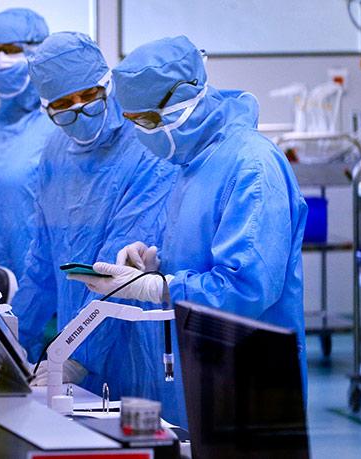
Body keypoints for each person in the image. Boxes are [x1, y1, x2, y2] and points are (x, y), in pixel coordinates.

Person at [81, 36, 309, 423]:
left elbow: (248, 287)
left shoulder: (252, 166)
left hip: (250, 377)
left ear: (187, 98)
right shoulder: (192, 165)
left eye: (150, 121)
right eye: (134, 122)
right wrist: (154, 262)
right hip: (202, 372)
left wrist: (159, 287)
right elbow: (201, 253)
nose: (143, 134)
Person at [10, 32, 178, 419]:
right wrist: (15, 343)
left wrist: (72, 354)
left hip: (132, 341)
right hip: (76, 343)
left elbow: (119, 270)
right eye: (63, 105)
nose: (79, 109)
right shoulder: (54, 152)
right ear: (46, 108)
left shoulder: (143, 145)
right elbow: (42, 263)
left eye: (89, 95)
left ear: (107, 83)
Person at [0, 8, 56, 281]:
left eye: (11, 49)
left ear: (38, 51)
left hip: (49, 293)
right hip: (8, 284)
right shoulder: (4, 125)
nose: (1, 60)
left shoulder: (60, 121)